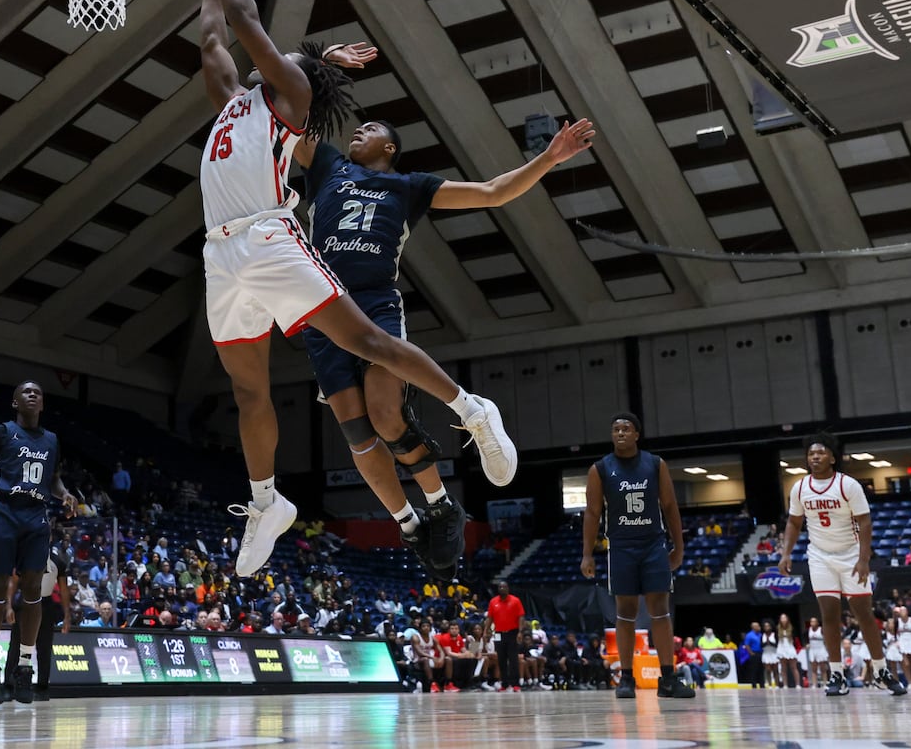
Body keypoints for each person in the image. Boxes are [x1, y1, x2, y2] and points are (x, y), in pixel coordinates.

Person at [198, 0, 515, 578]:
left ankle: (470, 408)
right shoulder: (234, 100)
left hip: (267, 234)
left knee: (370, 349)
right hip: (220, 255)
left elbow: (245, 21)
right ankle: (265, 504)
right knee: (248, 394)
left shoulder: (292, 98)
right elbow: (212, 39)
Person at [293, 112, 594, 578]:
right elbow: (285, 112)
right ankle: (410, 523)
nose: (358, 130)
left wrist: (549, 158)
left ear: (389, 148)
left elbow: (494, 192)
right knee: (356, 433)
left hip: (372, 301)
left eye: (372, 128)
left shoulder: (411, 186)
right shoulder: (327, 164)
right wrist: (315, 65)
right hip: (322, 310)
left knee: (386, 416)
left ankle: (445, 488)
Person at [0, 381, 76, 705]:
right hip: (4, 511)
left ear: (42, 404)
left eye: (38, 392)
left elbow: (53, 478)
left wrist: (65, 493)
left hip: (36, 517)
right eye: (26, 392)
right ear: (15, 401)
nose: (33, 395)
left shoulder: (52, 440)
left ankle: (24, 668)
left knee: (33, 592)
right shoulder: (1, 432)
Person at [779, 432, 907, 696]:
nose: (815, 456)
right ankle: (836, 674)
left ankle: (881, 671)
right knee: (829, 616)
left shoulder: (848, 485)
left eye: (820, 452)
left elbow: (865, 522)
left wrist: (863, 559)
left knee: (864, 615)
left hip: (850, 555)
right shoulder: (800, 488)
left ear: (832, 458)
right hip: (820, 557)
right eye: (811, 453)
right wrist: (786, 553)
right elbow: (793, 522)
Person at [580, 413, 694, 699]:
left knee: (659, 608)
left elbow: (669, 506)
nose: (620, 432)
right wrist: (587, 554)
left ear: (636, 435)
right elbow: (593, 513)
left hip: (653, 544)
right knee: (626, 611)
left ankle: (668, 678)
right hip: (620, 546)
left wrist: (678, 547)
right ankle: (627, 678)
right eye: (615, 428)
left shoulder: (655, 464)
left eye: (625, 428)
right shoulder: (601, 469)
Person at [5, 542, 71, 702]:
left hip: (46, 604)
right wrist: (8, 606)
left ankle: (42, 687)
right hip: (25, 601)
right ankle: (8, 685)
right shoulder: (24, 557)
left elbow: (63, 589)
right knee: (15, 646)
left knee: (44, 647)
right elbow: (13, 583)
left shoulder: (58, 561)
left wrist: (67, 615)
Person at [485, 581, 524, 692]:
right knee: (501, 659)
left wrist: (520, 632)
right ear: (498, 589)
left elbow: (521, 617)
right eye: (500, 587)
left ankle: (515, 684)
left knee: (513, 659)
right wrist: (485, 631)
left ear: (508, 588)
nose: (502, 588)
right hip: (498, 633)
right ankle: (504, 684)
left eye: (504, 586)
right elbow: (490, 618)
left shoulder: (515, 601)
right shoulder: (493, 602)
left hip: (512, 632)